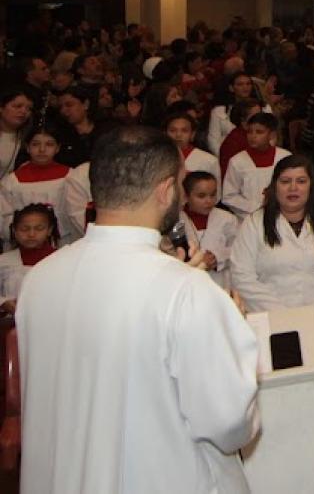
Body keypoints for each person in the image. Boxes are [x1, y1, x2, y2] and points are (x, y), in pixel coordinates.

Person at [19, 126, 259, 494]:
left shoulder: (40, 278)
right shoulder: (187, 290)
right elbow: (229, 424)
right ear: (165, 190)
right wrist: (230, 330)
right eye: (180, 185)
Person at [229, 154, 314, 345]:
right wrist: (283, 316)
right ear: (274, 186)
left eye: (301, 181)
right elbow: (241, 274)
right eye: (285, 181)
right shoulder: (254, 223)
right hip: (271, 324)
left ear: (311, 186)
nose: (293, 188)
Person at [1, 127, 72, 245]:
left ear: (58, 148)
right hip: (21, 245)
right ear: (27, 147)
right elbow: (4, 216)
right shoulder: (12, 181)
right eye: (35, 144)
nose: (42, 149)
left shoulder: (71, 177)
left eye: (49, 144)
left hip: (63, 241)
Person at [221, 113, 290, 218]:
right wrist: (256, 207)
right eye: (249, 132)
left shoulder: (285, 158)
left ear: (271, 135)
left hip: (282, 215)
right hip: (248, 218)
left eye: (259, 132)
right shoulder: (237, 161)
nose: (253, 136)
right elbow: (229, 196)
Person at [181, 170, 237, 289]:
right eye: (201, 196)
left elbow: (239, 249)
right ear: (186, 196)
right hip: (186, 282)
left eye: (212, 195)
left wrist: (218, 257)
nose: (208, 201)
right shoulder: (176, 220)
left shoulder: (227, 219)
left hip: (219, 282)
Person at [0, 203, 59, 313]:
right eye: (24, 229)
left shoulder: (62, 260)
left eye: (39, 228)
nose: (31, 234)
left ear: (49, 230)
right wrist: (4, 302)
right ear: (15, 231)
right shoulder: (4, 261)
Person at [167, 110, 220, 186]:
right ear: (165, 133)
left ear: (192, 134)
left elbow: (215, 195)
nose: (178, 135)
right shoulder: (155, 159)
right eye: (172, 130)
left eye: (184, 131)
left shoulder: (209, 161)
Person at [0, 88, 33, 179]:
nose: (23, 111)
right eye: (17, 106)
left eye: (28, 109)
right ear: (1, 108)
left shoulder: (30, 139)